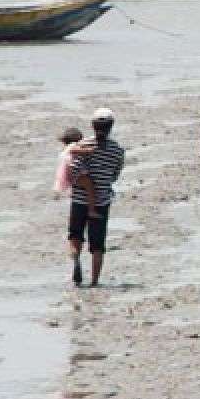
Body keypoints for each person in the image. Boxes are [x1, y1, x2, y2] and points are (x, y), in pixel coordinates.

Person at [68, 108, 125, 287]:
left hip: (78, 199)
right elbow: (115, 175)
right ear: (111, 127)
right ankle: (94, 281)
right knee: (98, 245)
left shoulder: (83, 145)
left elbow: (73, 169)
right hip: (101, 201)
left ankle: (76, 260)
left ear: (93, 126)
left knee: (75, 236)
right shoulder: (117, 150)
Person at [52, 127, 92, 195]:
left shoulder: (65, 150)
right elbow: (73, 150)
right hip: (73, 172)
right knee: (90, 187)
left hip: (67, 174)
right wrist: (90, 150)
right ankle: (92, 204)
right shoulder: (72, 146)